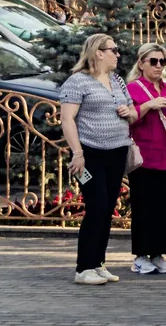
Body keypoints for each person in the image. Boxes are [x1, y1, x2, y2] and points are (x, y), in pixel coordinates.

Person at [59, 33, 137, 287]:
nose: (118, 54)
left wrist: (130, 112)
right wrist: (77, 153)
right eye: (113, 50)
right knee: (97, 207)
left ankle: (98, 263)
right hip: (90, 155)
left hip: (116, 152)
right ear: (98, 52)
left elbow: (134, 112)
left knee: (107, 209)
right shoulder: (77, 82)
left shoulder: (116, 80)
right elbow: (67, 119)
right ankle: (83, 267)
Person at [125, 42, 166, 275]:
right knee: (145, 207)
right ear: (141, 63)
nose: (159, 65)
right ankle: (141, 256)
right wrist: (149, 105)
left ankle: (159, 255)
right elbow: (130, 118)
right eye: (153, 61)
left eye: (163, 61)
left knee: (164, 208)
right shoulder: (133, 88)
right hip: (145, 157)